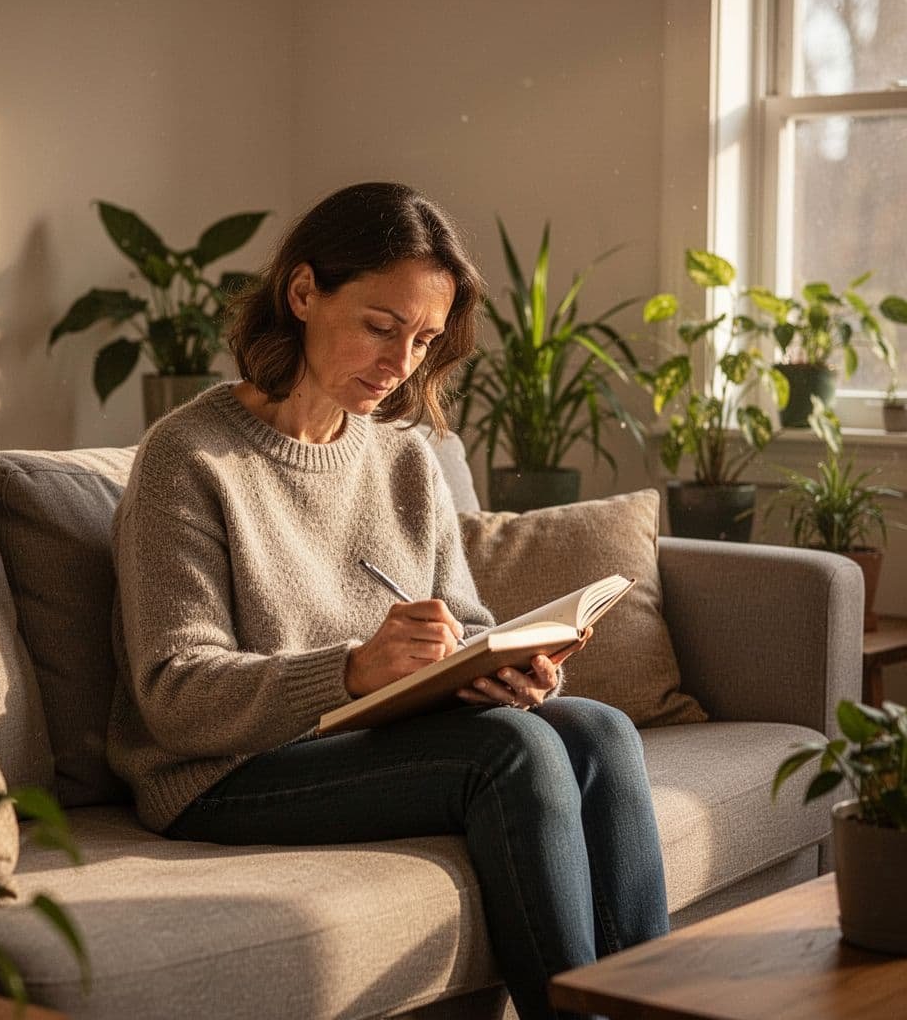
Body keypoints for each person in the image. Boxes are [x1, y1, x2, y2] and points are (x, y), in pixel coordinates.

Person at [107, 181, 669, 1020]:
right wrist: (353, 670)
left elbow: (465, 624)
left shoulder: (406, 456)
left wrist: (502, 670)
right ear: (303, 293)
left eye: (424, 340)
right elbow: (175, 697)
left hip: (366, 739)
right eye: (380, 326)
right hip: (219, 773)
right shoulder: (187, 456)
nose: (401, 362)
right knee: (511, 756)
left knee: (595, 729)